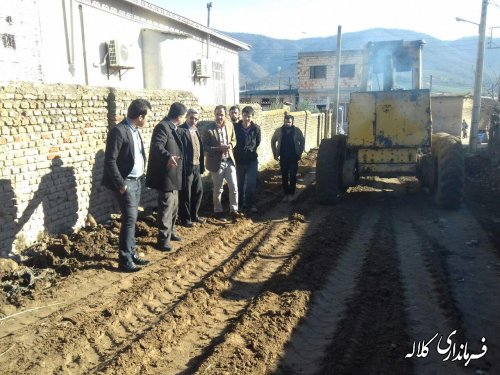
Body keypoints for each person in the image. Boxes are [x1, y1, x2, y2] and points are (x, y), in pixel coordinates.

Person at [102, 99, 151, 272]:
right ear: (140, 116)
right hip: (126, 183)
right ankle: (124, 259)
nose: (147, 121)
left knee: (133, 219)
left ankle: (132, 253)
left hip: (136, 181)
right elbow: (110, 160)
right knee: (129, 220)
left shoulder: (135, 130)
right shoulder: (118, 131)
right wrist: (120, 184)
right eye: (146, 117)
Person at [146, 102, 186, 253]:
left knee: (174, 205)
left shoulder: (173, 127)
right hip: (165, 175)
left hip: (174, 174)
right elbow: (157, 146)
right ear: (179, 117)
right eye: (183, 116)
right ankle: (163, 240)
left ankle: (172, 231)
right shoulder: (163, 127)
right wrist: (168, 156)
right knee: (166, 207)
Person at [202, 105, 243, 222]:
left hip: (229, 160)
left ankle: (234, 210)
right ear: (214, 115)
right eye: (217, 114)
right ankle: (218, 211)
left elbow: (234, 140)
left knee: (234, 186)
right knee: (218, 189)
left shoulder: (230, 125)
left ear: (225, 115)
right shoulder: (208, 129)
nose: (219, 117)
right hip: (217, 163)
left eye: (222, 114)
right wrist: (218, 148)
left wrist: (230, 145)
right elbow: (204, 147)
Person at [179, 108, 206, 227]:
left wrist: (201, 165)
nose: (194, 120)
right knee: (186, 194)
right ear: (186, 117)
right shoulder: (181, 130)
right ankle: (185, 219)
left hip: (196, 166)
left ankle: (194, 215)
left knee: (198, 192)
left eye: (196, 119)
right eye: (191, 118)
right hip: (187, 168)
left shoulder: (196, 130)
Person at [271, 114, 305, 203]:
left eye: (289, 122)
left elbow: (302, 141)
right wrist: (275, 152)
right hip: (283, 157)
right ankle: (286, 195)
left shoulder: (297, 131)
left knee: (293, 176)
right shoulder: (279, 131)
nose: (287, 124)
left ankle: (292, 195)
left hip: (294, 157)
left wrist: (300, 152)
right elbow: (273, 140)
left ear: (292, 122)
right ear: (284, 121)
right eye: (286, 122)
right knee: (284, 176)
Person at [234, 106, 261, 213]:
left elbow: (257, 142)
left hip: (252, 160)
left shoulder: (256, 128)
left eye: (249, 116)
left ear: (252, 117)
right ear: (242, 115)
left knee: (251, 183)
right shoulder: (236, 127)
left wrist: (250, 149)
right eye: (245, 116)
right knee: (239, 183)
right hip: (239, 160)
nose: (246, 119)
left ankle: (250, 204)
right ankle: (240, 205)